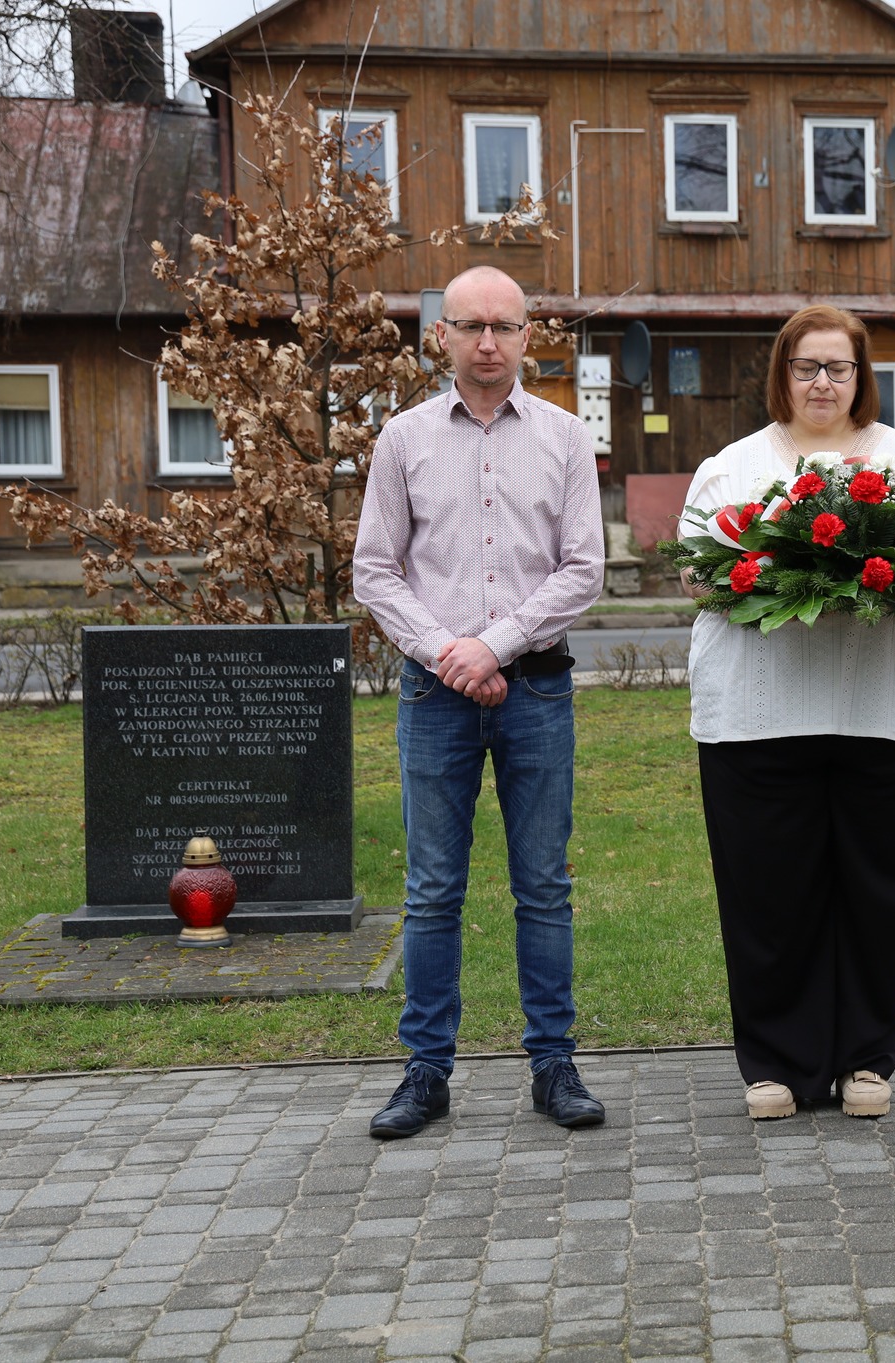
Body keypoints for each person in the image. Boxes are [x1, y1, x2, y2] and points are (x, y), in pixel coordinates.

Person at [682, 304, 895, 1122]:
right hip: (760, 717)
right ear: (783, 373)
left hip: (887, 710)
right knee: (770, 892)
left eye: (838, 368)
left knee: (879, 891)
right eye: (807, 367)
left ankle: (865, 1061)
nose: (822, 383)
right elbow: (699, 574)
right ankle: (777, 1064)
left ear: (861, 377)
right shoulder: (732, 469)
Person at [353, 266, 609, 1139]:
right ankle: (426, 1072)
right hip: (435, 697)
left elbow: (584, 568)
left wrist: (492, 647)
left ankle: (553, 1064)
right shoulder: (404, 439)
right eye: (471, 326)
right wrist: (448, 655)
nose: (489, 342)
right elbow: (375, 571)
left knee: (543, 885)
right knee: (432, 891)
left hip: (537, 687)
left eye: (505, 325)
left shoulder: (568, 439)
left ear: (528, 335)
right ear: (443, 336)